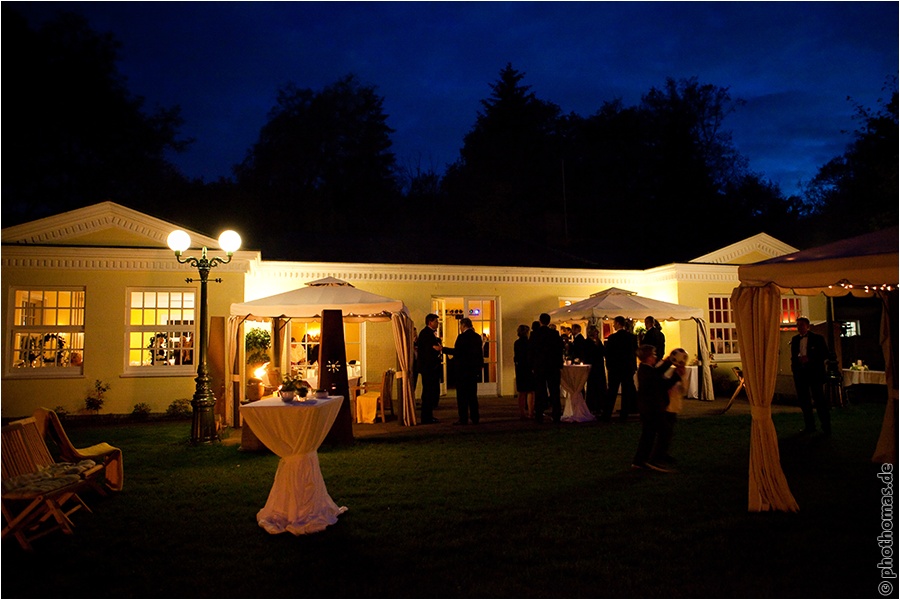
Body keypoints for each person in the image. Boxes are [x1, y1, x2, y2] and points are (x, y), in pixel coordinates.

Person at [632, 344, 678, 472]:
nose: (655, 357)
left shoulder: (647, 369)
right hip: (652, 408)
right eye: (653, 355)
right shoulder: (646, 372)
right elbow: (663, 384)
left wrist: (668, 362)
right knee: (664, 431)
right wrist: (677, 376)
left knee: (649, 433)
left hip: (649, 407)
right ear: (647, 357)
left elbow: (658, 372)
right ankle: (655, 458)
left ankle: (640, 460)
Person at [791, 317, 831, 435]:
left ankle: (826, 426)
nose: (799, 327)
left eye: (801, 325)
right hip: (801, 373)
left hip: (814, 373)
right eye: (798, 325)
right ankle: (809, 425)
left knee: (819, 400)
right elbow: (793, 356)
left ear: (807, 326)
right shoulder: (795, 339)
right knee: (804, 401)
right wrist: (796, 366)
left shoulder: (817, 338)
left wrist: (810, 358)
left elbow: (824, 354)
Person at [443, 318, 483, 425]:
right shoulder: (477, 337)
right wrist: (479, 367)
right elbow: (479, 354)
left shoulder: (462, 337)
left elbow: (457, 352)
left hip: (462, 370)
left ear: (463, 325)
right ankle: (475, 417)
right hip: (473, 370)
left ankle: (463, 418)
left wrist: (443, 349)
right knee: (472, 396)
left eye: (461, 326)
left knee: (462, 396)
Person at [603, 316, 638, 421]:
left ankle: (607, 413)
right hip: (627, 368)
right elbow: (634, 353)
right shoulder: (631, 337)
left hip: (615, 368)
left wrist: (609, 366)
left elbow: (608, 354)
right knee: (626, 391)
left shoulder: (612, 338)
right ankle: (624, 414)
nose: (613, 325)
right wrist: (633, 367)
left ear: (618, 324)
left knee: (612, 391)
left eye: (614, 323)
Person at [531, 313, 564, 423]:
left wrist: (533, 365)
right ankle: (556, 414)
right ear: (549, 322)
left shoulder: (535, 334)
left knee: (540, 391)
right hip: (553, 366)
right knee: (554, 391)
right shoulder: (555, 334)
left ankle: (539, 414)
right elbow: (560, 349)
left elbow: (532, 351)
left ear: (540, 321)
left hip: (540, 366)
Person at [657, 348, 688, 466]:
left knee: (668, 433)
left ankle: (663, 454)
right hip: (665, 406)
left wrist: (682, 376)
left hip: (674, 406)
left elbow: (684, 390)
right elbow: (663, 384)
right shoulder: (665, 370)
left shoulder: (680, 373)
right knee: (664, 433)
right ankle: (659, 456)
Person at [417, 313, 443, 424]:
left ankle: (428, 415)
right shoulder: (425, 333)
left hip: (430, 368)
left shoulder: (428, 333)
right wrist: (435, 348)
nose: (437, 324)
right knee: (428, 392)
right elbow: (426, 350)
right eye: (436, 321)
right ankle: (426, 417)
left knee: (430, 392)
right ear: (430, 322)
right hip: (428, 368)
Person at [582, 325, 607, 415]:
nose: (597, 333)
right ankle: (592, 405)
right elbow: (587, 354)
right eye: (596, 331)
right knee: (592, 386)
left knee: (600, 385)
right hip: (592, 367)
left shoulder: (599, 342)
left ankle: (601, 405)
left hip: (599, 366)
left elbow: (604, 352)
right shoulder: (587, 342)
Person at [514, 324, 535, 419]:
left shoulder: (517, 343)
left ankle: (522, 412)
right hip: (529, 368)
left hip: (520, 368)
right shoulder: (530, 343)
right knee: (530, 391)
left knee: (521, 392)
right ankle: (531, 412)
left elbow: (516, 357)